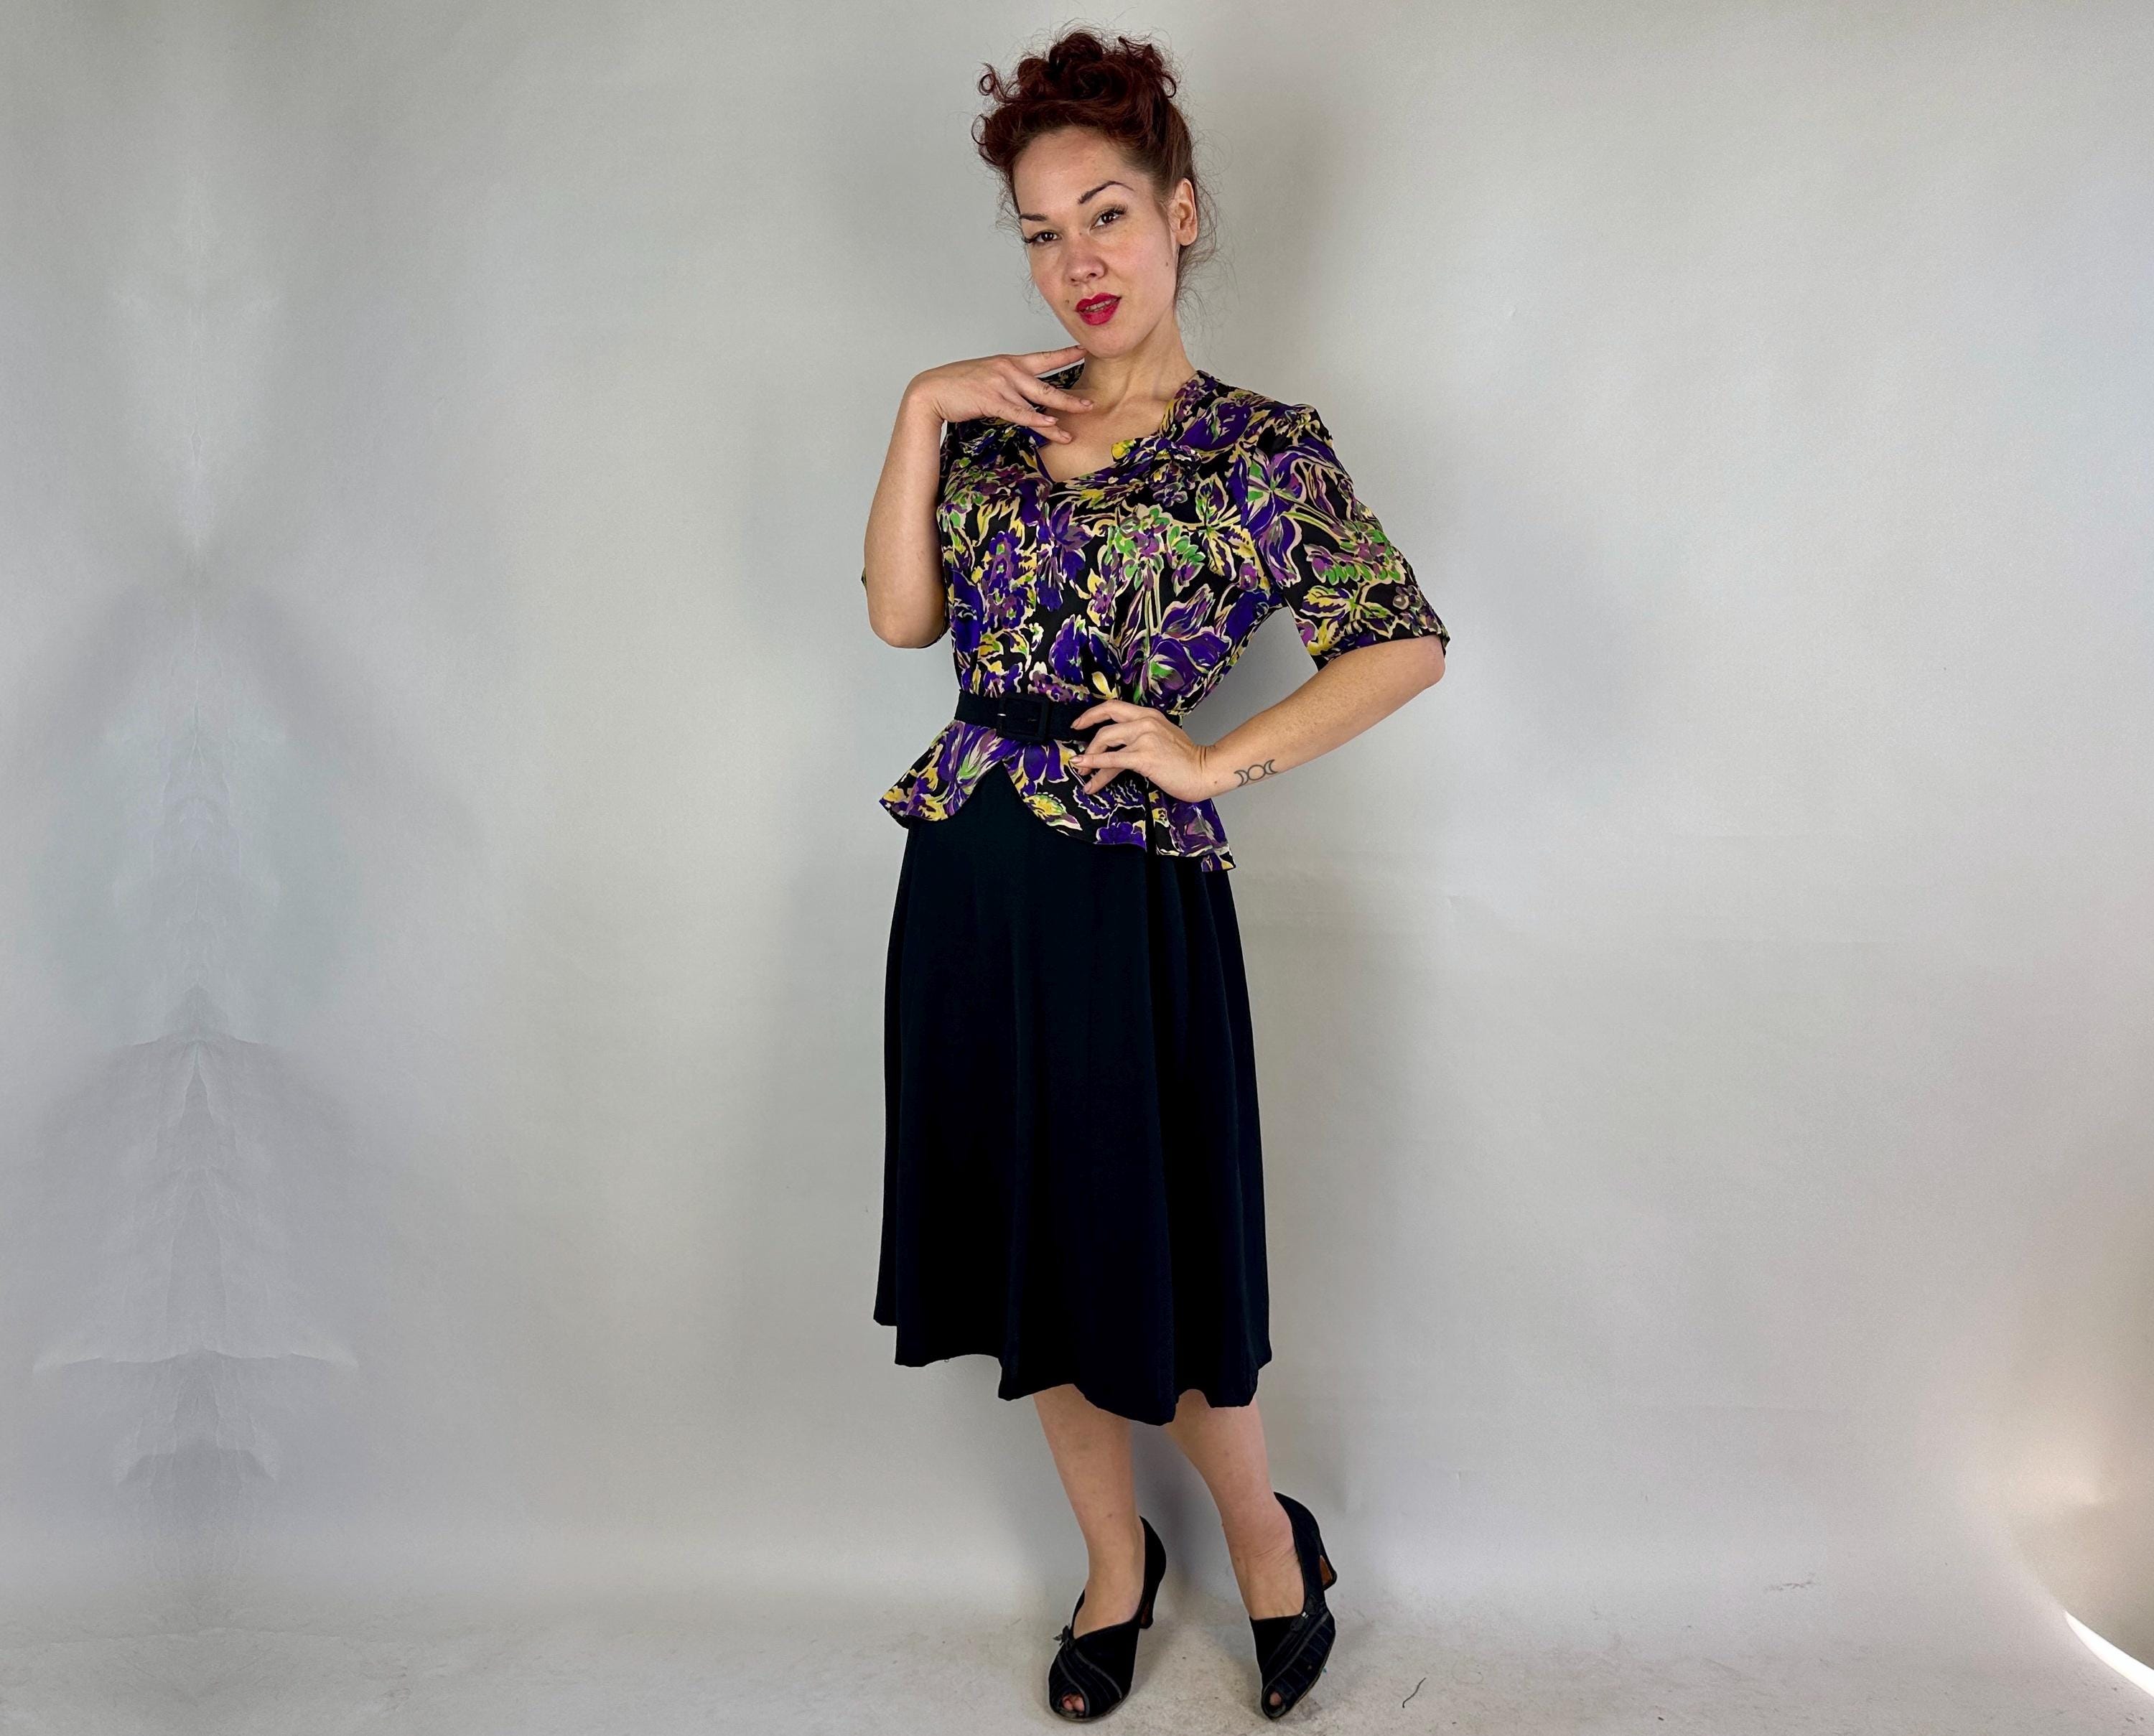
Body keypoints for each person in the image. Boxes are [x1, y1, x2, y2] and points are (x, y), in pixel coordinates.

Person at [859, 27, 1448, 1722]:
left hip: (1125, 891)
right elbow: (903, 618)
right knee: (1029, 1256)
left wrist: (1209, 759)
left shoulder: (1261, 447)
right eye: (1043, 234)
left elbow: (1399, 643)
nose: (1077, 264)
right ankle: (1116, 1564)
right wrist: (920, 408)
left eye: (1107, 216)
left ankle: (1266, 1542)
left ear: (1180, 214)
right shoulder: (988, 429)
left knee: (1152, 1254)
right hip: (970, 883)